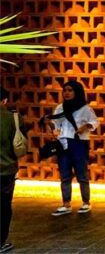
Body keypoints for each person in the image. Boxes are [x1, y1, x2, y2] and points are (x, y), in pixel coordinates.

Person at [49, 80, 99, 216]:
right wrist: (52, 126)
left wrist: (85, 126)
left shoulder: (85, 109)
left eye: (70, 90)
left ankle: (86, 202)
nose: (67, 93)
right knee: (64, 175)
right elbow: (55, 123)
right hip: (63, 143)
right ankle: (66, 204)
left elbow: (95, 122)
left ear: (77, 92)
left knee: (82, 174)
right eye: (65, 90)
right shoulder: (60, 108)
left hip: (79, 143)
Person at [1, 86, 26, 253]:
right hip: (6, 169)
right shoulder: (13, 118)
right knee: (3, 206)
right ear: (4, 100)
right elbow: (20, 145)